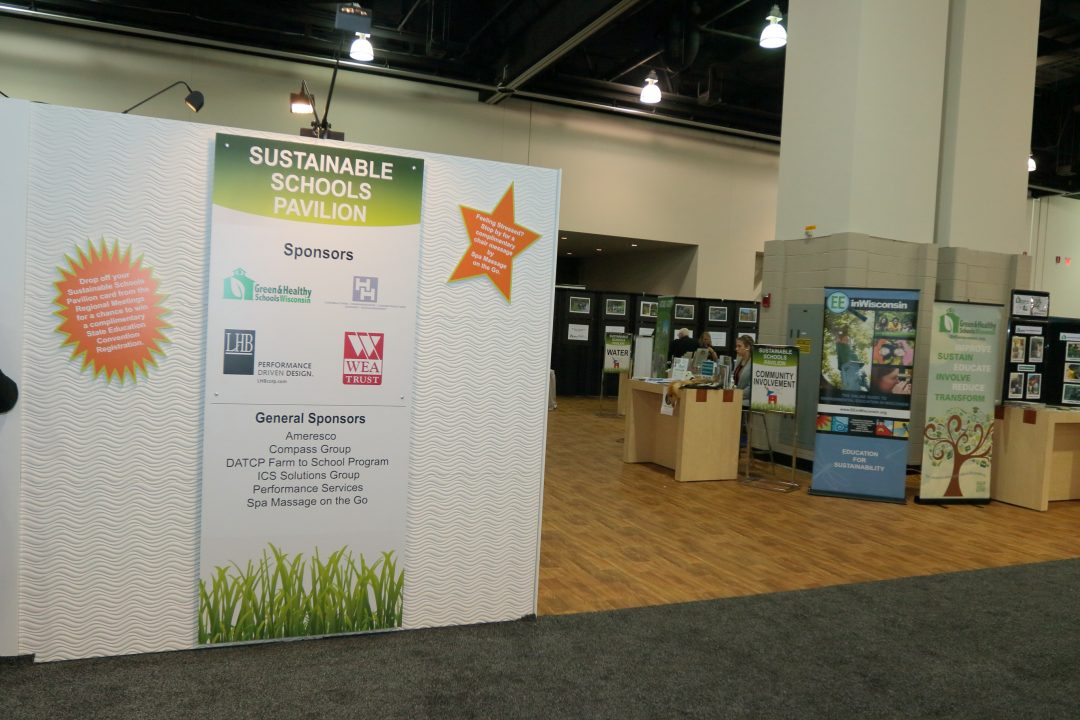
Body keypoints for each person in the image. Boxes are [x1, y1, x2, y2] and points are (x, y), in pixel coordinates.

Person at [732, 335, 753, 406]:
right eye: (736, 346)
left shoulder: (753, 364)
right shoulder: (739, 359)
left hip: (746, 400)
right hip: (736, 396)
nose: (736, 349)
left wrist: (736, 395)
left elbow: (751, 388)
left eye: (739, 346)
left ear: (747, 347)